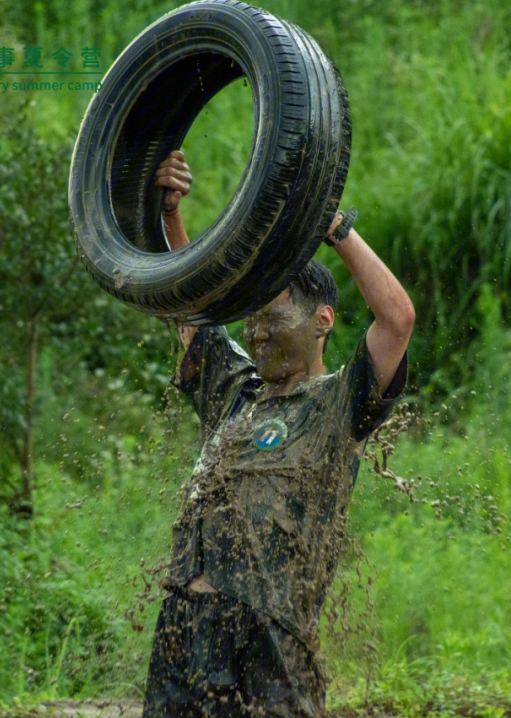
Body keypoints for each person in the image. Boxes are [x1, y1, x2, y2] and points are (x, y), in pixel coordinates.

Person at [144, 151, 414, 717]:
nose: (258, 334)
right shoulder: (233, 390)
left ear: (322, 321)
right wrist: (167, 215)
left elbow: (397, 320)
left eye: (273, 319)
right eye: (252, 322)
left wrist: (334, 228)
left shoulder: (339, 403)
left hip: (271, 633)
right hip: (185, 628)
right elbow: (188, 309)